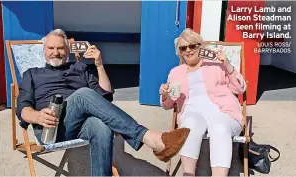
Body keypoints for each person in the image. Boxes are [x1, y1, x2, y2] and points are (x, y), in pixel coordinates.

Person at [16, 29, 190, 176]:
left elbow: (105, 96)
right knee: (83, 94)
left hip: (80, 125)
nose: (56, 52)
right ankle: (150, 138)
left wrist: (99, 65)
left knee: (100, 124)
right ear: (44, 50)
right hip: (51, 128)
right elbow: (23, 108)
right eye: (51, 48)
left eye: (61, 48)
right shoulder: (32, 74)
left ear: (67, 51)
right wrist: (37, 116)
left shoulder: (80, 68)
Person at [159, 28, 247, 176]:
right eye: (183, 48)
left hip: (223, 113)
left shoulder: (216, 65)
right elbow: (168, 105)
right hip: (192, 114)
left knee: (219, 124)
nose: (188, 50)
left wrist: (228, 64)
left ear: (200, 47)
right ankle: (188, 174)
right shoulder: (175, 72)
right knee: (190, 122)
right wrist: (164, 95)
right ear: (179, 52)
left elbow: (240, 88)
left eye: (192, 46)